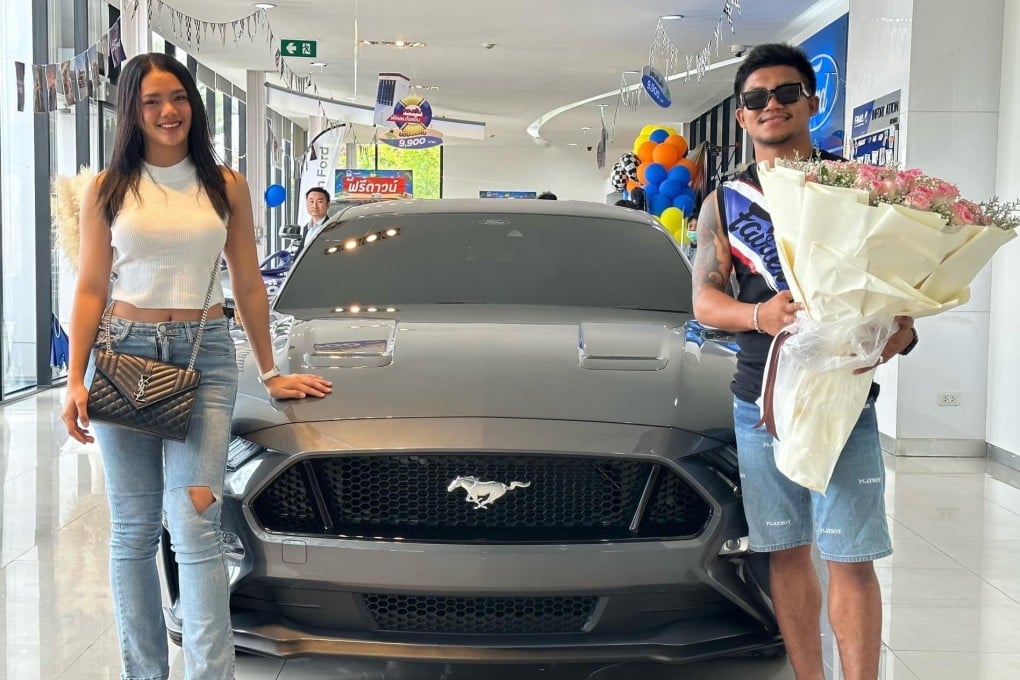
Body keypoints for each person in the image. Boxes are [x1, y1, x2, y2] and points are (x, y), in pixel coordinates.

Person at [60, 53, 332, 680]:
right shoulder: (107, 188)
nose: (168, 111)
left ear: (194, 104)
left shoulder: (224, 184)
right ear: (131, 110)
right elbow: (89, 288)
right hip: (124, 354)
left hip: (206, 354)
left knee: (196, 524)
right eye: (152, 101)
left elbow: (249, 285)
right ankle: (146, 674)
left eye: (178, 97)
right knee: (132, 529)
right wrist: (74, 379)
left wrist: (269, 372)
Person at [691, 43, 918, 680]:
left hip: (844, 395)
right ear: (741, 117)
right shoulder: (725, 201)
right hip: (760, 399)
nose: (772, 106)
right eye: (757, 98)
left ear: (812, 103)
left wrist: (900, 332)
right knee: (785, 551)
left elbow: (898, 296)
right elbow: (705, 299)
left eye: (786, 93)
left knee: (850, 556)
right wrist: (757, 315)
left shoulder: (858, 189)